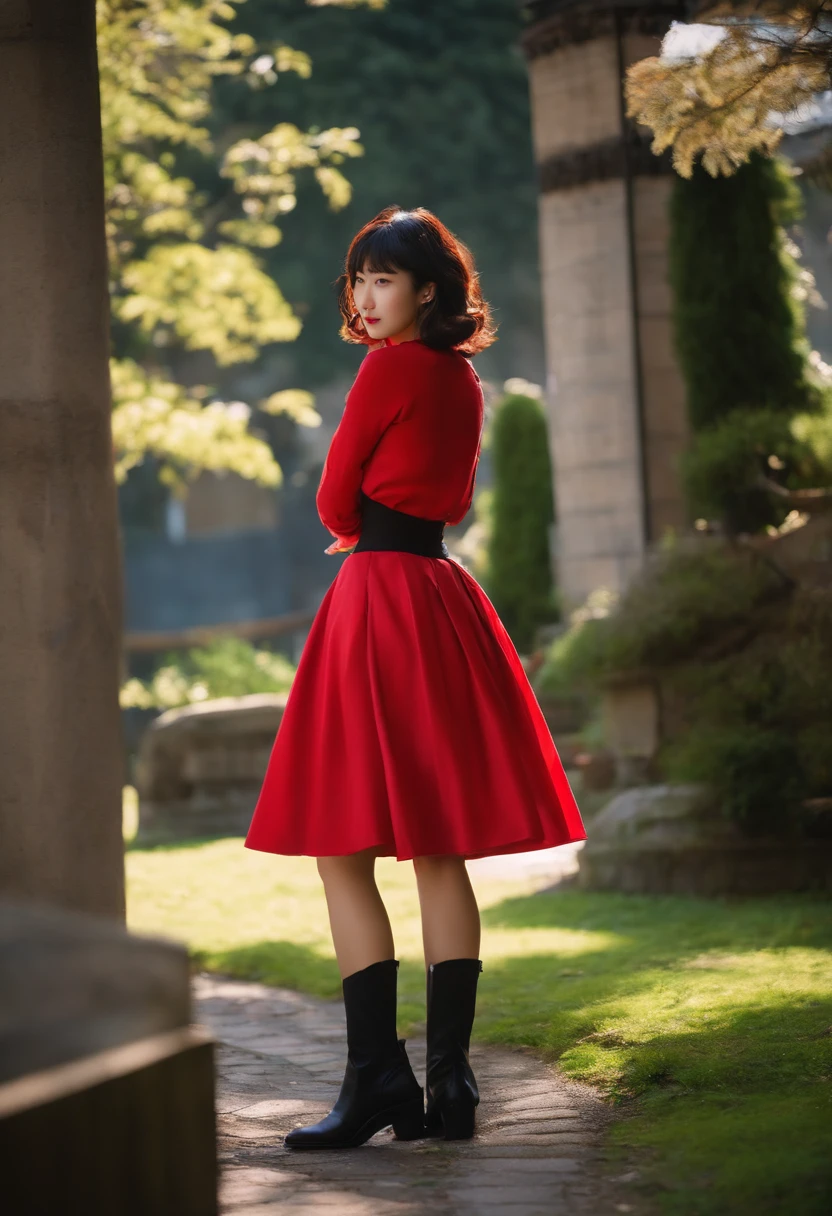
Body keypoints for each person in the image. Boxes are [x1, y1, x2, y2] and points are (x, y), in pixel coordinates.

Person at [244, 205, 587, 1150]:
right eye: (359, 280)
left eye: (383, 279)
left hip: (377, 601)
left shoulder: (388, 367)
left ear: (425, 289)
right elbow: (449, 494)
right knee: (439, 846)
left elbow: (330, 496)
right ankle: (451, 1083)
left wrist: (353, 519)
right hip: (440, 592)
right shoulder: (462, 379)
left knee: (342, 846)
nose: (365, 296)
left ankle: (375, 1080)